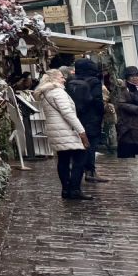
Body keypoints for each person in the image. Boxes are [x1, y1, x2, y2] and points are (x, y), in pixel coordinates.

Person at [35, 67, 90, 201]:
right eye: (61, 77)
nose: (64, 79)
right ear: (53, 78)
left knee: (63, 159)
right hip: (66, 130)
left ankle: (66, 190)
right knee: (80, 157)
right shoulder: (58, 92)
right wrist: (81, 131)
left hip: (56, 131)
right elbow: (68, 113)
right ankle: (75, 189)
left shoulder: (46, 93)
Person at [66, 58, 106, 188]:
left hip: (76, 117)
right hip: (92, 117)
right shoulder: (94, 81)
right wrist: (102, 112)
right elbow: (98, 100)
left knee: (79, 145)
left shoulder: (71, 81)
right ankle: (91, 172)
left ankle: (78, 172)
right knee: (91, 144)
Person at [117, 68, 138, 159]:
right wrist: (136, 109)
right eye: (132, 76)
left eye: (137, 75)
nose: (135, 78)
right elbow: (121, 104)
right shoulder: (123, 88)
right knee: (127, 154)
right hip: (128, 125)